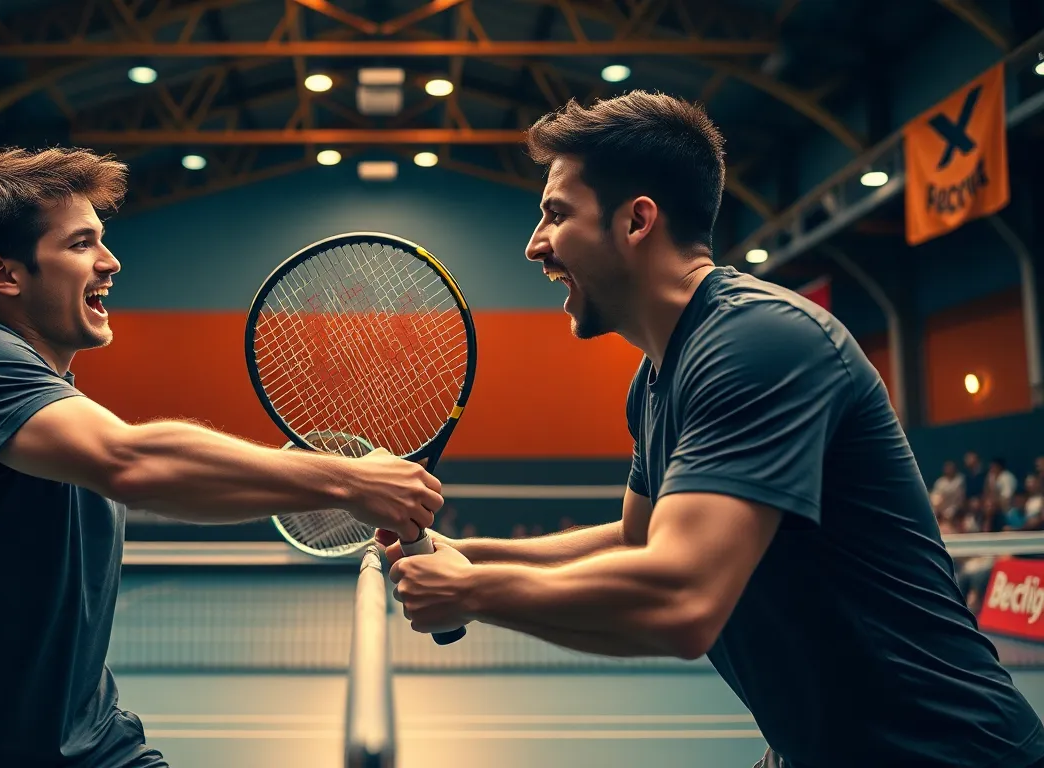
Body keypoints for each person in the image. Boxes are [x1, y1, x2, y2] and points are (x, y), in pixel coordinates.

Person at [383, 92, 1044, 767]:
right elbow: (638, 540)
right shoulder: (656, 380)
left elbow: (681, 599)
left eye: (556, 214)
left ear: (638, 220)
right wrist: (465, 551)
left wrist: (471, 592)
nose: (535, 245)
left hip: (952, 755)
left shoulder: (760, 343)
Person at [0, 147, 443, 768]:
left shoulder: (60, 411)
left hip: (91, 746)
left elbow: (177, 489)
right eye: (81, 245)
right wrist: (349, 476)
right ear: (5, 275)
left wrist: (348, 490)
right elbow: (131, 465)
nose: (110, 262)